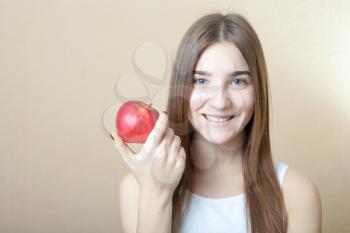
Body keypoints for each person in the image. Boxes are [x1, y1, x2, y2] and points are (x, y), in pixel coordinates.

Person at [110, 12, 322, 233]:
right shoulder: (136, 188)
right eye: (201, 80)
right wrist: (157, 192)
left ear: (257, 92)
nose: (220, 102)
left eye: (238, 81)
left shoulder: (297, 194)